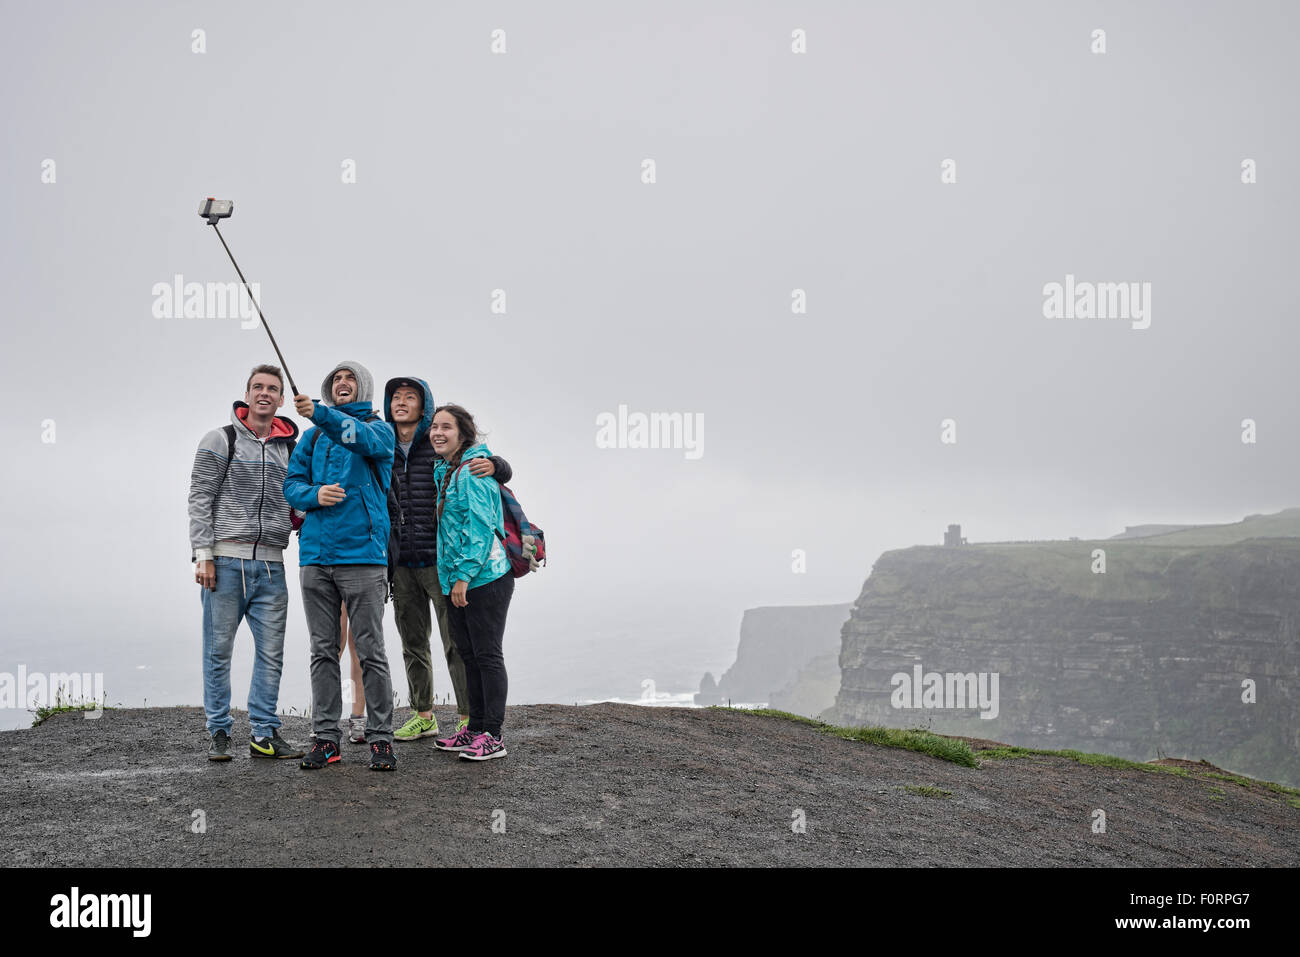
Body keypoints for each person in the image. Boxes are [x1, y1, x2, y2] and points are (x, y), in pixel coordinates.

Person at [384, 377, 512, 743]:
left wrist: (498, 464)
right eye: (396, 397)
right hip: (413, 563)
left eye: (411, 397)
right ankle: (434, 718)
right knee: (424, 644)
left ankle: (476, 723)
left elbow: (480, 517)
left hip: (459, 568)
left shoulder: (456, 457)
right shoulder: (386, 446)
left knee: (466, 648)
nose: (402, 402)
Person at [284, 361, 398, 771]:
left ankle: (381, 739)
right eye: (336, 380)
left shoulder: (378, 430)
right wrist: (316, 494)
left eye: (350, 378)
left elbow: (358, 438)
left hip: (364, 558)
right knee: (322, 651)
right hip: (315, 557)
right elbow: (291, 485)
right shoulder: (312, 437)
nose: (342, 383)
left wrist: (320, 412)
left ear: (363, 387)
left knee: (371, 651)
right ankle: (326, 738)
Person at [188, 364, 305, 761]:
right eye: (258, 387)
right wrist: (202, 555)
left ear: (281, 398)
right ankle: (219, 731)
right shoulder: (220, 439)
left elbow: (297, 502)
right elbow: (200, 497)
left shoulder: (290, 447)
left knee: (272, 654)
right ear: (247, 394)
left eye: (272, 388)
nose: (265, 393)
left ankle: (264, 733)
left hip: (273, 565)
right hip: (224, 562)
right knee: (218, 650)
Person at [429, 404, 515, 762]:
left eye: (446, 427)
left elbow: (478, 526)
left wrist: (463, 575)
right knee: (469, 654)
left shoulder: (474, 470)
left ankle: (493, 736)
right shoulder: (447, 469)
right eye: (434, 426)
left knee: (487, 655)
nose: (437, 432)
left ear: (463, 434)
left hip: (485, 576)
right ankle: (475, 729)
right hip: (458, 577)